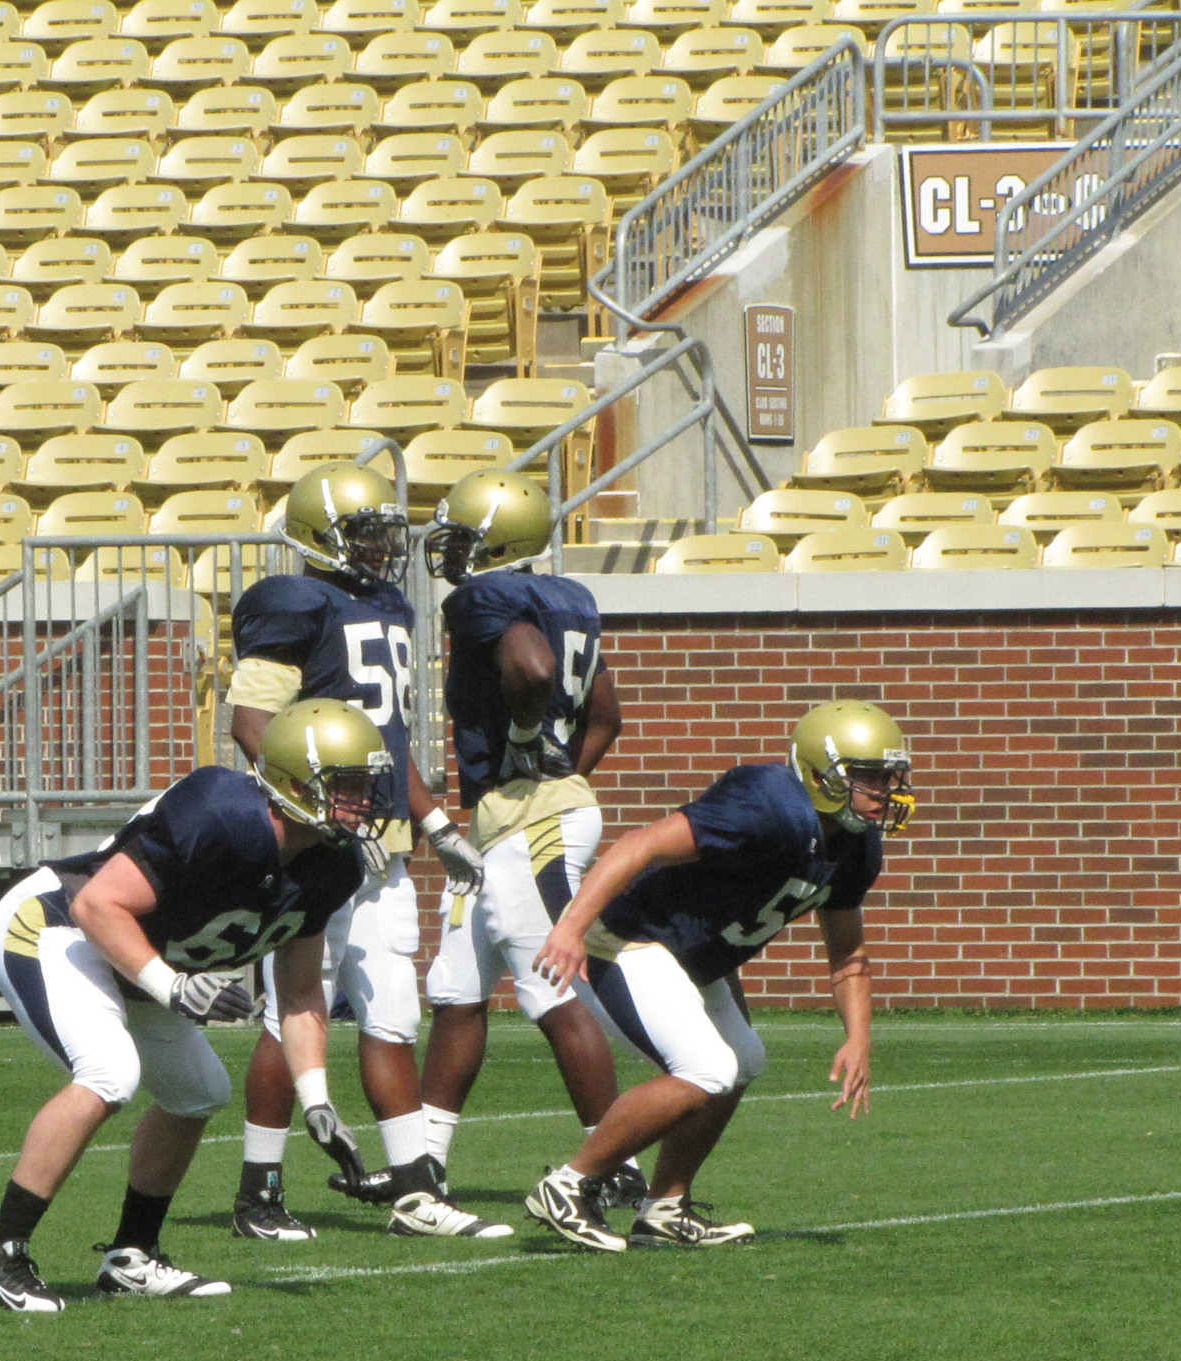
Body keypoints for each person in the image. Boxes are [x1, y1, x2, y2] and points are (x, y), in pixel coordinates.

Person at [0, 698, 383, 1313]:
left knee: (198, 1090)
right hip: (55, 927)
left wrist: (318, 1101)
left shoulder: (330, 865)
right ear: (295, 782)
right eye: (346, 787)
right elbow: (96, 906)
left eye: (366, 788)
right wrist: (173, 986)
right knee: (110, 1073)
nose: (362, 805)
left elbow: (298, 992)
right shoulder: (221, 813)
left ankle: (132, 1255)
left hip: (137, 959)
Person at [525, 700, 913, 1252]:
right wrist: (571, 928)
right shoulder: (769, 804)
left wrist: (859, 1038)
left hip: (687, 959)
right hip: (630, 940)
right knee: (706, 1068)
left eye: (890, 777)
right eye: (869, 778)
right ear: (819, 774)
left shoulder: (856, 847)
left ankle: (664, 1207)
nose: (885, 793)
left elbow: (848, 953)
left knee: (743, 1062)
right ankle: (569, 1185)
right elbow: (639, 844)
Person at [223, 461, 488, 1244]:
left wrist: (433, 824)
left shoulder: (389, 603)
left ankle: (415, 1189)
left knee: (394, 1014)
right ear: (317, 536)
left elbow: (386, 737)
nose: (379, 546)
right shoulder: (295, 602)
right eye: (363, 532)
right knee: (290, 1012)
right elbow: (251, 723)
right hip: (319, 838)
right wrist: (318, 819)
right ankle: (259, 1191)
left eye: (383, 531)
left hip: (386, 840)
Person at [415, 468, 637, 1217]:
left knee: (552, 992)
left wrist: (523, 743)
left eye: (461, 536)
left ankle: (617, 1164)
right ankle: (424, 1168)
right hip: (508, 819)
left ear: (495, 540)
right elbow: (605, 711)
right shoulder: (566, 598)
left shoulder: (488, 597)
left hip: (529, 822)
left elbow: (534, 668)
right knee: (456, 992)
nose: (447, 551)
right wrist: (561, 769)